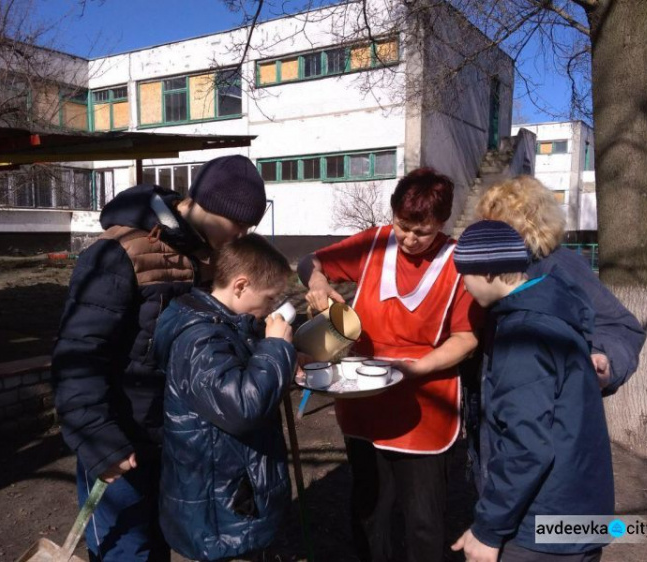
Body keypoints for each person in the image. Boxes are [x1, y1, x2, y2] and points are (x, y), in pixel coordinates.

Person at [51, 155, 267, 561]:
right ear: (206, 203)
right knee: (127, 552)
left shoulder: (209, 257)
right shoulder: (119, 253)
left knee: (160, 546)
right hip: (120, 442)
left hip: (177, 442)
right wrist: (98, 439)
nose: (241, 235)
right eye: (238, 224)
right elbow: (78, 355)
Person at [297, 167, 483, 562]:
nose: (411, 239)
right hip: (363, 401)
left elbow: (466, 339)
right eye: (403, 226)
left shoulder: (457, 263)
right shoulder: (375, 244)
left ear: (442, 223)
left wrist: (415, 369)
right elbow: (310, 262)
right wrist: (317, 284)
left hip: (425, 412)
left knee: (423, 521)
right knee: (369, 509)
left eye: (423, 231)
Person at [451, 220, 613, 562]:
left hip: (543, 528)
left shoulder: (523, 336)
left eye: (464, 275)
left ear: (489, 273)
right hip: (581, 514)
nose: (463, 288)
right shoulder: (555, 314)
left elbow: (526, 447)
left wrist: (487, 531)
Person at [152, 233, 296, 561]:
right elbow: (242, 407)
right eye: (270, 298)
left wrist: (283, 360)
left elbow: (240, 373)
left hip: (228, 495)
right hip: (218, 510)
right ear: (241, 286)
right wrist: (276, 349)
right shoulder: (200, 340)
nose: (271, 308)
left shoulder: (225, 324)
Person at [476, 175, 645, 394]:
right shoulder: (491, 266)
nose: (485, 235)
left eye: (496, 226)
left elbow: (620, 326)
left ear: (527, 225)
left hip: (545, 408)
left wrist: (603, 358)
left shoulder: (558, 266)